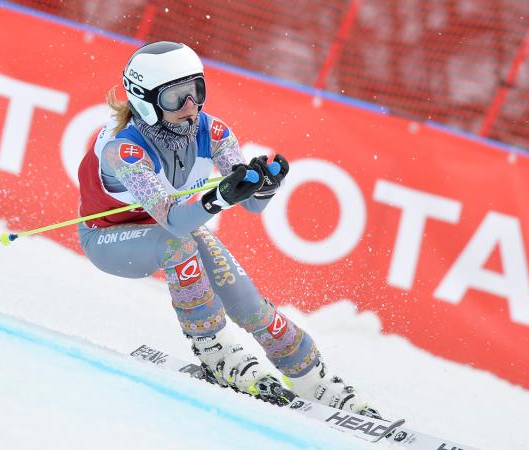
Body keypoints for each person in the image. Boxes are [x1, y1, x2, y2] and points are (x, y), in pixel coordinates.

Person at [77, 41, 379, 417]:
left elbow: (251, 204)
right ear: (144, 100)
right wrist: (218, 197)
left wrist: (264, 186)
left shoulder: (212, 130)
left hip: (175, 229)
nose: (192, 107)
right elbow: (170, 218)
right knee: (177, 245)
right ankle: (216, 351)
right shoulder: (122, 150)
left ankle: (312, 376)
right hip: (110, 239)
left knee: (248, 303)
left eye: (196, 91)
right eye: (176, 97)